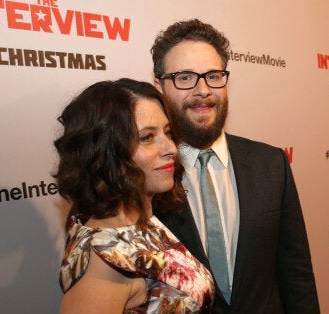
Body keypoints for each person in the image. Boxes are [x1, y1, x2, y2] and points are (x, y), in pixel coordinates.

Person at [150, 19, 320, 313]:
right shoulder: (143, 177)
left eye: (213, 76)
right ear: (159, 86)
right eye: (185, 77)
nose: (203, 90)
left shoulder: (271, 164)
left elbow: (296, 274)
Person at [54, 78, 215, 313]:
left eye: (168, 132)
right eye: (147, 137)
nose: (170, 148)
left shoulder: (143, 222)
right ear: (107, 153)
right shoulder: (105, 259)